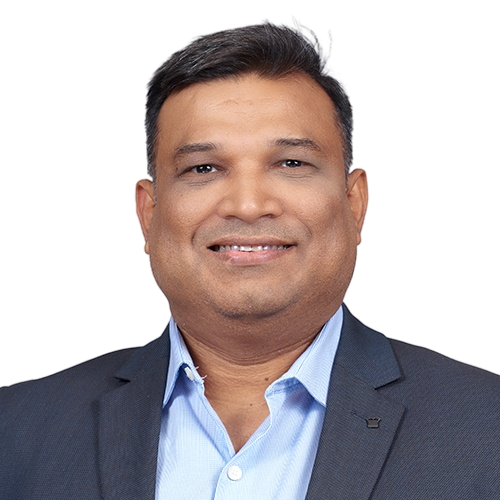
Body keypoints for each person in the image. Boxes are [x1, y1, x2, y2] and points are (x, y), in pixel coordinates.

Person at [1, 16, 498, 500]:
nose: (248, 204)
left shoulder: (486, 426)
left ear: (355, 205)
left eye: (291, 162)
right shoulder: (15, 430)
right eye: (203, 168)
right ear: (148, 214)